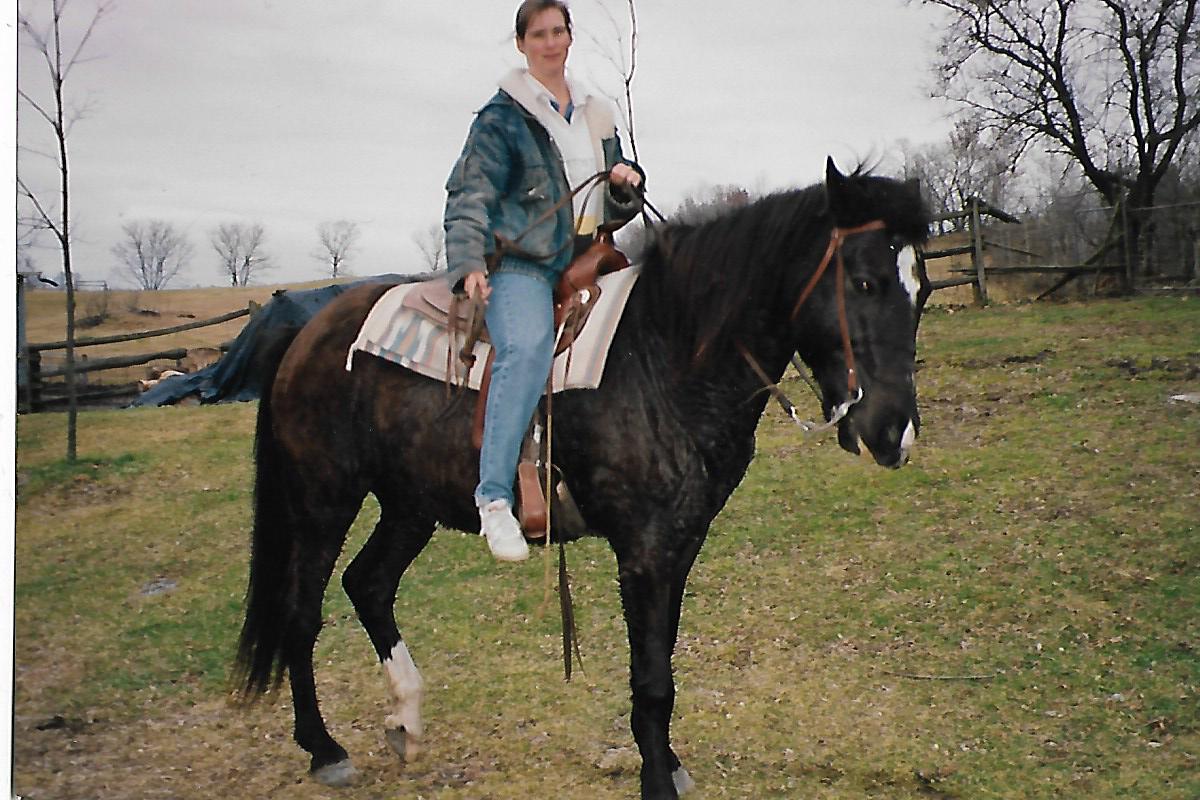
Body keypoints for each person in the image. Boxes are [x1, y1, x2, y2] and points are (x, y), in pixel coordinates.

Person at [443, 0, 644, 562]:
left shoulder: (596, 113)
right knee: (527, 349)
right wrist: (469, 264)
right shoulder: (502, 118)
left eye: (559, 31)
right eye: (539, 34)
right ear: (522, 43)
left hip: (590, 255)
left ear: (570, 37)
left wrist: (624, 182)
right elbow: (469, 195)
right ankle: (493, 499)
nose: (551, 43)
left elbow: (616, 202)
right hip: (524, 263)